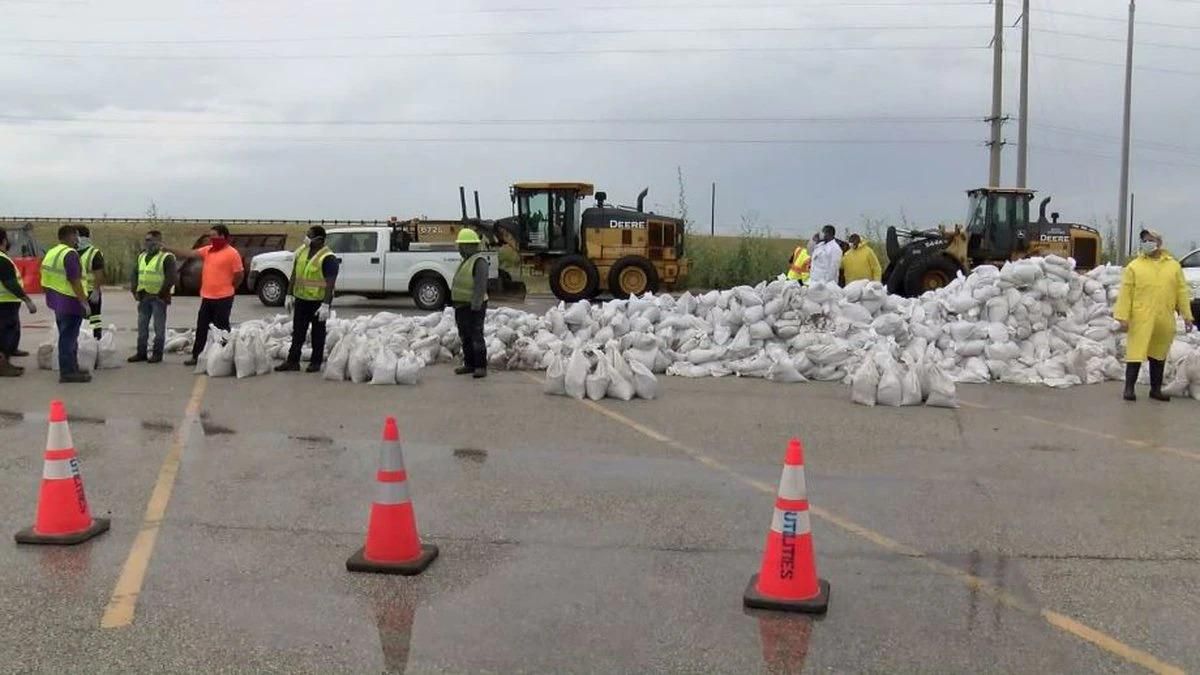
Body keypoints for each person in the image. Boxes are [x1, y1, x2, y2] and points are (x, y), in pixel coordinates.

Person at [1114, 229, 1195, 401]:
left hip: (1164, 317)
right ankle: (1129, 389)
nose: (1147, 243)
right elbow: (1125, 293)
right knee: (1135, 353)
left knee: (1158, 354)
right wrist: (1122, 317)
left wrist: (1187, 316)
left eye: (1150, 240)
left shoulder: (1173, 266)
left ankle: (1155, 390)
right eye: (1144, 240)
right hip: (1140, 317)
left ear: (1159, 242)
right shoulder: (1135, 266)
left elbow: (1182, 292)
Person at [170, 225, 243, 367]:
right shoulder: (208, 251)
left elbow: (239, 274)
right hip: (207, 297)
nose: (212, 239)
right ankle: (196, 356)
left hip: (224, 297)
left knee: (221, 329)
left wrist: (232, 286)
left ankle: (223, 356)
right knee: (201, 327)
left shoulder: (232, 253)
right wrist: (168, 249)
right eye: (210, 237)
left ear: (223, 237)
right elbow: (189, 254)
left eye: (214, 236)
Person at [277, 226, 339, 373]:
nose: (306, 238)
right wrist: (289, 294)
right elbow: (294, 274)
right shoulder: (302, 251)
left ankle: (315, 362)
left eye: (309, 236)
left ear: (319, 239)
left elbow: (330, 283)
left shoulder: (328, 257)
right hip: (301, 299)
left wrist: (326, 304)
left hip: (318, 302)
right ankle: (293, 361)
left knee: (318, 333)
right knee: (298, 332)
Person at [40, 225, 92, 383]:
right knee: (68, 339)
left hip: (57, 301)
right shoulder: (70, 254)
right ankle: (67, 372)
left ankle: (72, 367)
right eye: (76, 236)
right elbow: (74, 280)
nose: (78, 240)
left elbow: (44, 276)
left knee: (68, 337)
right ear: (70, 236)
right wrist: (84, 302)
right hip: (70, 302)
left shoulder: (52, 252)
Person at [128, 230, 177, 364]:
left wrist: (162, 293)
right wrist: (134, 289)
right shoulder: (142, 256)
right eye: (146, 240)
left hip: (159, 298)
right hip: (143, 296)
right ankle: (141, 352)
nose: (147, 243)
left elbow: (171, 277)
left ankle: (157, 353)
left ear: (159, 241)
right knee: (142, 326)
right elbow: (135, 273)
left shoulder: (167, 257)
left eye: (150, 240)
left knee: (158, 328)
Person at [0, 227, 39, 377]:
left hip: (5, 302)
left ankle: (6, 359)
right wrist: (27, 300)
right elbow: (10, 283)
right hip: (5, 302)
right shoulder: (3, 260)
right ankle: (4, 365)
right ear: (4, 240)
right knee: (5, 334)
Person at [452, 228, 489, 379]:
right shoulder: (466, 261)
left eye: (462, 245)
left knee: (476, 335)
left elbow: (480, 285)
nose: (459, 248)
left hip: (474, 306)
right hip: (461, 305)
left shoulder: (479, 261)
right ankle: (469, 364)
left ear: (470, 246)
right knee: (465, 336)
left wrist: (476, 304)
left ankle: (480, 366)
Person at [76, 225, 106, 339]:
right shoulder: (73, 251)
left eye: (76, 235)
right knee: (79, 319)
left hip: (90, 292)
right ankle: (81, 340)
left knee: (94, 318)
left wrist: (96, 290)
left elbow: (99, 273)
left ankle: (96, 338)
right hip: (77, 291)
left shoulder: (94, 253)